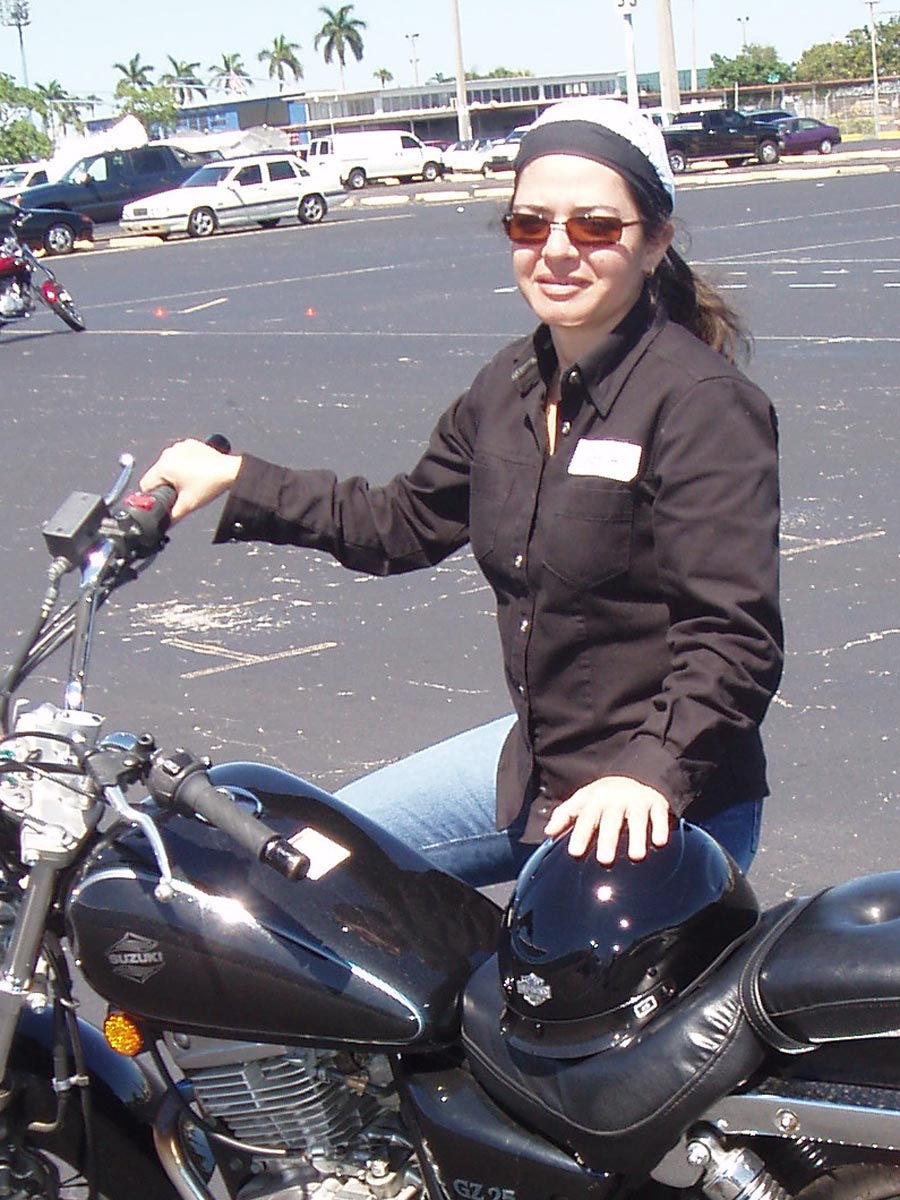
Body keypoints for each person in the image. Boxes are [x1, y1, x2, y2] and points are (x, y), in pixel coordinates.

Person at [140, 97, 783, 887]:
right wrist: (237, 478)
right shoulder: (510, 385)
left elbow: (732, 637)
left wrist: (647, 773)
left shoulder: (700, 403)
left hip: (661, 799)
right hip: (536, 769)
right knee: (308, 869)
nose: (557, 250)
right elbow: (402, 522)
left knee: (537, 964)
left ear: (654, 242)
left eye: (594, 227)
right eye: (529, 224)